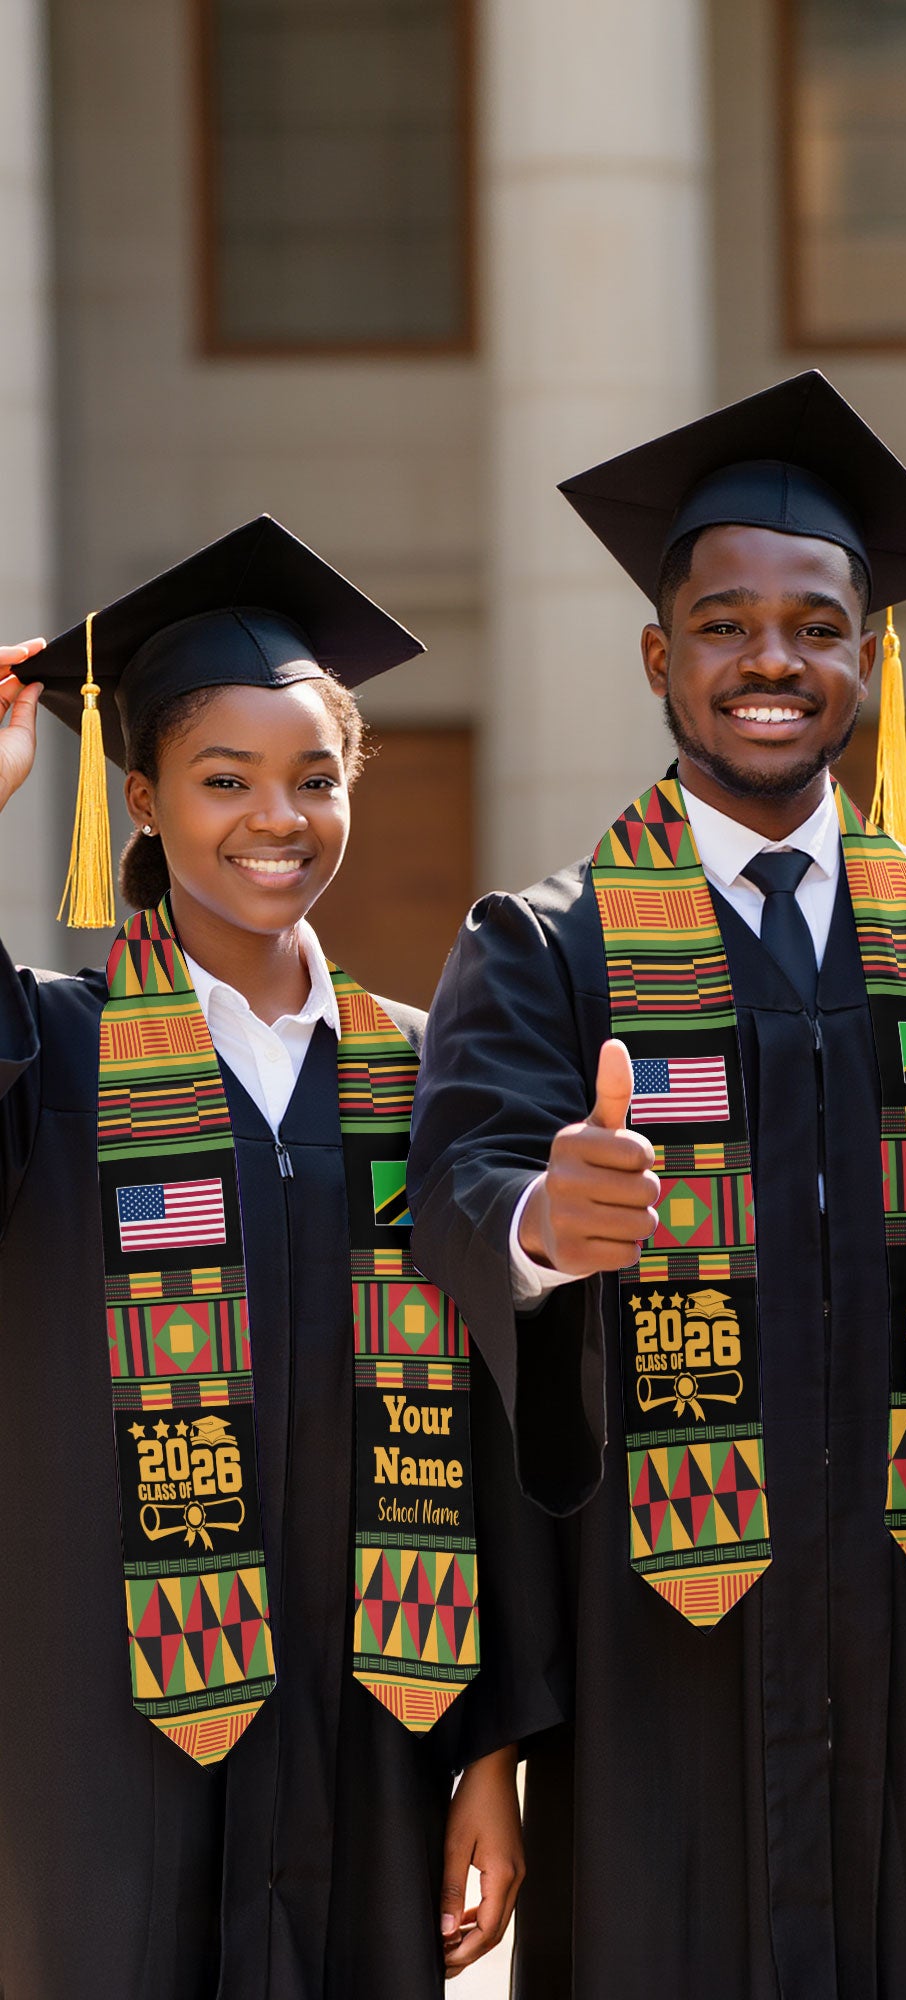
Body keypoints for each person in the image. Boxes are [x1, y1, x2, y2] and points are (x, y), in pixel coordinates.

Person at [406, 371, 906, 1996]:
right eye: (723, 626)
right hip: (653, 1664)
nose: (771, 661)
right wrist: (542, 1225)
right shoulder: (547, 948)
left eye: (816, 626)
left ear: (870, 658)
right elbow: (457, 1192)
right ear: (660, 658)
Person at [0, 516, 564, 1999]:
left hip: (374, 1722)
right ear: (140, 798)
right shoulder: (49, 1055)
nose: (277, 817)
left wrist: (491, 1758)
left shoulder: (424, 1076)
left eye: (315, 779)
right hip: (98, 1738)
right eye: (224, 779)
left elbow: (498, 1430)